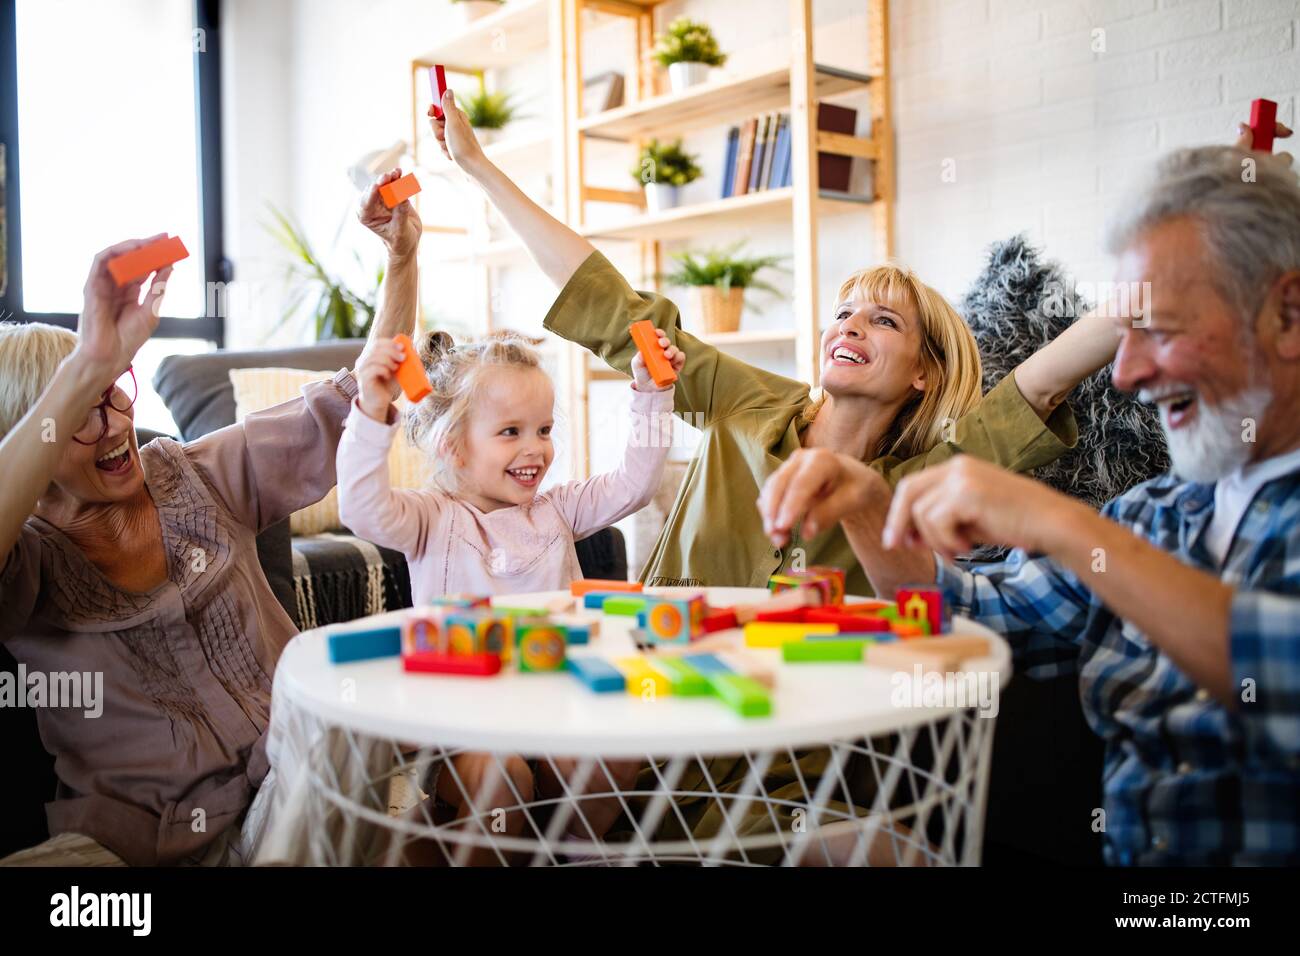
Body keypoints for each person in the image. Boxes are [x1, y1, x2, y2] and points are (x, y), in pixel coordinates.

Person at [757, 133, 1300, 864]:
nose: (1127, 372)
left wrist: (1058, 521)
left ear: (1287, 317)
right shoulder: (1160, 514)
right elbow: (973, 606)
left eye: (1159, 328)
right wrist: (867, 507)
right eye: (1125, 333)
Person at [427, 87, 1121, 598]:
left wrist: (1148, 297)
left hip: (795, 746)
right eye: (845, 311)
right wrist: (480, 167)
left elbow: (1041, 384)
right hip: (653, 705)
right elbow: (613, 307)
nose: (849, 324)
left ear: (923, 375)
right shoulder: (746, 400)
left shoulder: (926, 480)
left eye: (884, 321)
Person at [0, 170, 420, 867]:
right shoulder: (30, 561)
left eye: (116, 392)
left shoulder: (197, 474)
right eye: (82, 412)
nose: (114, 426)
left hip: (289, 803)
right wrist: (84, 365)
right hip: (131, 844)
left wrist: (402, 259)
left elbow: (360, 400)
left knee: (347, 724)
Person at [335, 325, 683, 855]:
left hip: (561, 708)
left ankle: (573, 849)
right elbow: (359, 508)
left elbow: (637, 484)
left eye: (543, 430)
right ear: (452, 446)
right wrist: (370, 411)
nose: (535, 449)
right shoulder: (433, 519)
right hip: (467, 728)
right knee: (501, 777)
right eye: (510, 432)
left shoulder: (557, 508)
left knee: (614, 754)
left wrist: (653, 393)